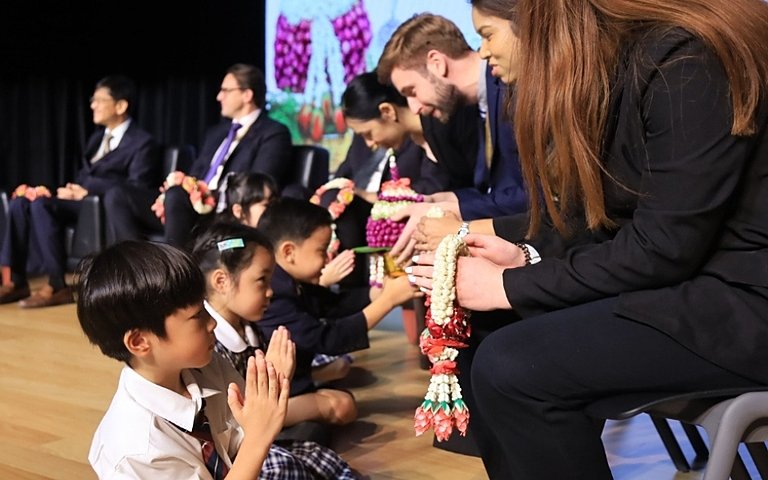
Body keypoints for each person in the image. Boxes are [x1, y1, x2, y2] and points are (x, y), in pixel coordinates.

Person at [407, 0, 768, 478]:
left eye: (490, 33)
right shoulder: (627, 64)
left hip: (743, 301)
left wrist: (507, 286)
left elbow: (662, 246)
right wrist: (524, 257)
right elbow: (616, 223)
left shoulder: (684, 56)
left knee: (514, 367)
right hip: (694, 284)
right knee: (480, 333)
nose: (485, 52)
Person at [76, 240, 290, 478]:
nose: (213, 323)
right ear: (139, 342)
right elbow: (254, 438)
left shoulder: (210, 365)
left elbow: (239, 439)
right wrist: (259, 437)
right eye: (197, 315)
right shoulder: (137, 450)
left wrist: (269, 388)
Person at [190, 221, 361, 474]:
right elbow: (229, 421)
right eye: (261, 280)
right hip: (241, 435)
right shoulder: (208, 344)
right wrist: (277, 380)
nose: (271, 292)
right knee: (335, 409)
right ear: (222, 281)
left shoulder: (249, 326)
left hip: (260, 419)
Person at [376, 13, 528, 265]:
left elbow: (534, 197)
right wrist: (445, 200)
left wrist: (457, 210)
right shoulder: (481, 102)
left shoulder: (512, 88)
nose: (413, 108)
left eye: (411, 92)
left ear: (436, 62)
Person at [257, 197, 421, 427]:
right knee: (344, 406)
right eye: (322, 251)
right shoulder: (273, 293)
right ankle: (268, 418)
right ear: (289, 252)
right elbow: (327, 339)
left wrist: (379, 293)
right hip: (262, 392)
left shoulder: (288, 280)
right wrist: (388, 300)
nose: (327, 259)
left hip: (291, 377)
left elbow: (332, 304)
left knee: (340, 369)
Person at [0, 75, 160, 308]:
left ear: (121, 105)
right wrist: (65, 191)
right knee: (22, 201)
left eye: (99, 100)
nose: (92, 105)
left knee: (40, 205)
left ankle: (57, 284)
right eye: (92, 99)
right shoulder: (96, 139)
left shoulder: (142, 142)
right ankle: (15, 280)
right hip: (79, 201)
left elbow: (135, 188)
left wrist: (86, 192)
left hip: (103, 205)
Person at [105, 63, 293, 249]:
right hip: (192, 207)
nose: (219, 97)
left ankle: (177, 272)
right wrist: (184, 184)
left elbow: (258, 184)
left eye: (226, 91)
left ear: (247, 95)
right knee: (118, 195)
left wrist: (207, 194)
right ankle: (136, 265)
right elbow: (197, 173)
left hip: (225, 210)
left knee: (176, 196)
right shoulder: (216, 133)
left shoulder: (273, 133)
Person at [338, 71, 452, 202]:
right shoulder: (419, 136)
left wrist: (377, 198)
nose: (369, 144)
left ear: (387, 111)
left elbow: (436, 186)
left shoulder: (441, 129)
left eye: (368, 134)